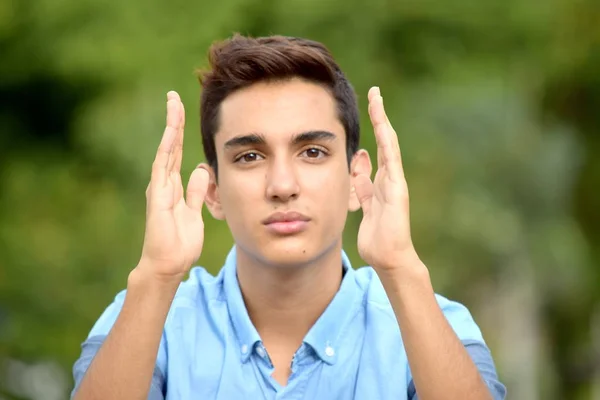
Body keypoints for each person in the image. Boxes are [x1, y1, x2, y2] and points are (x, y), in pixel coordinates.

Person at [71, 34, 506, 399]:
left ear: (356, 178)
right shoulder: (149, 317)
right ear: (213, 192)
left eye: (312, 152)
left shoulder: (434, 321)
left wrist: (400, 267)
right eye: (249, 156)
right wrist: (156, 276)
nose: (282, 184)